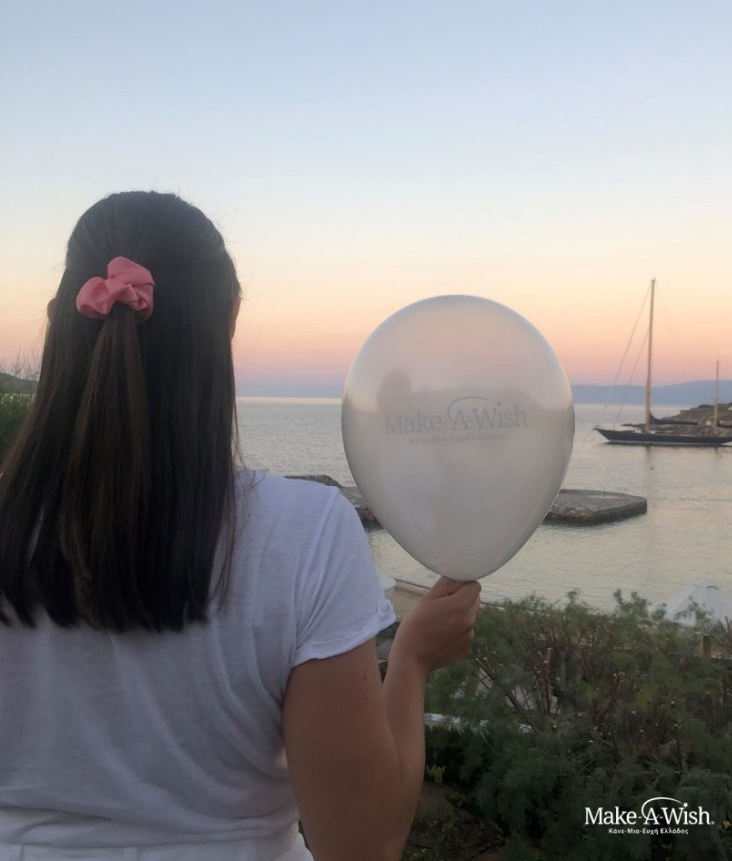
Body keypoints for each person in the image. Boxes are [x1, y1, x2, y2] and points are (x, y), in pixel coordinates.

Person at [0, 191, 481, 861]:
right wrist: (412, 661)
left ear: (59, 319)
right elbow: (362, 844)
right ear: (228, 320)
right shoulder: (305, 536)